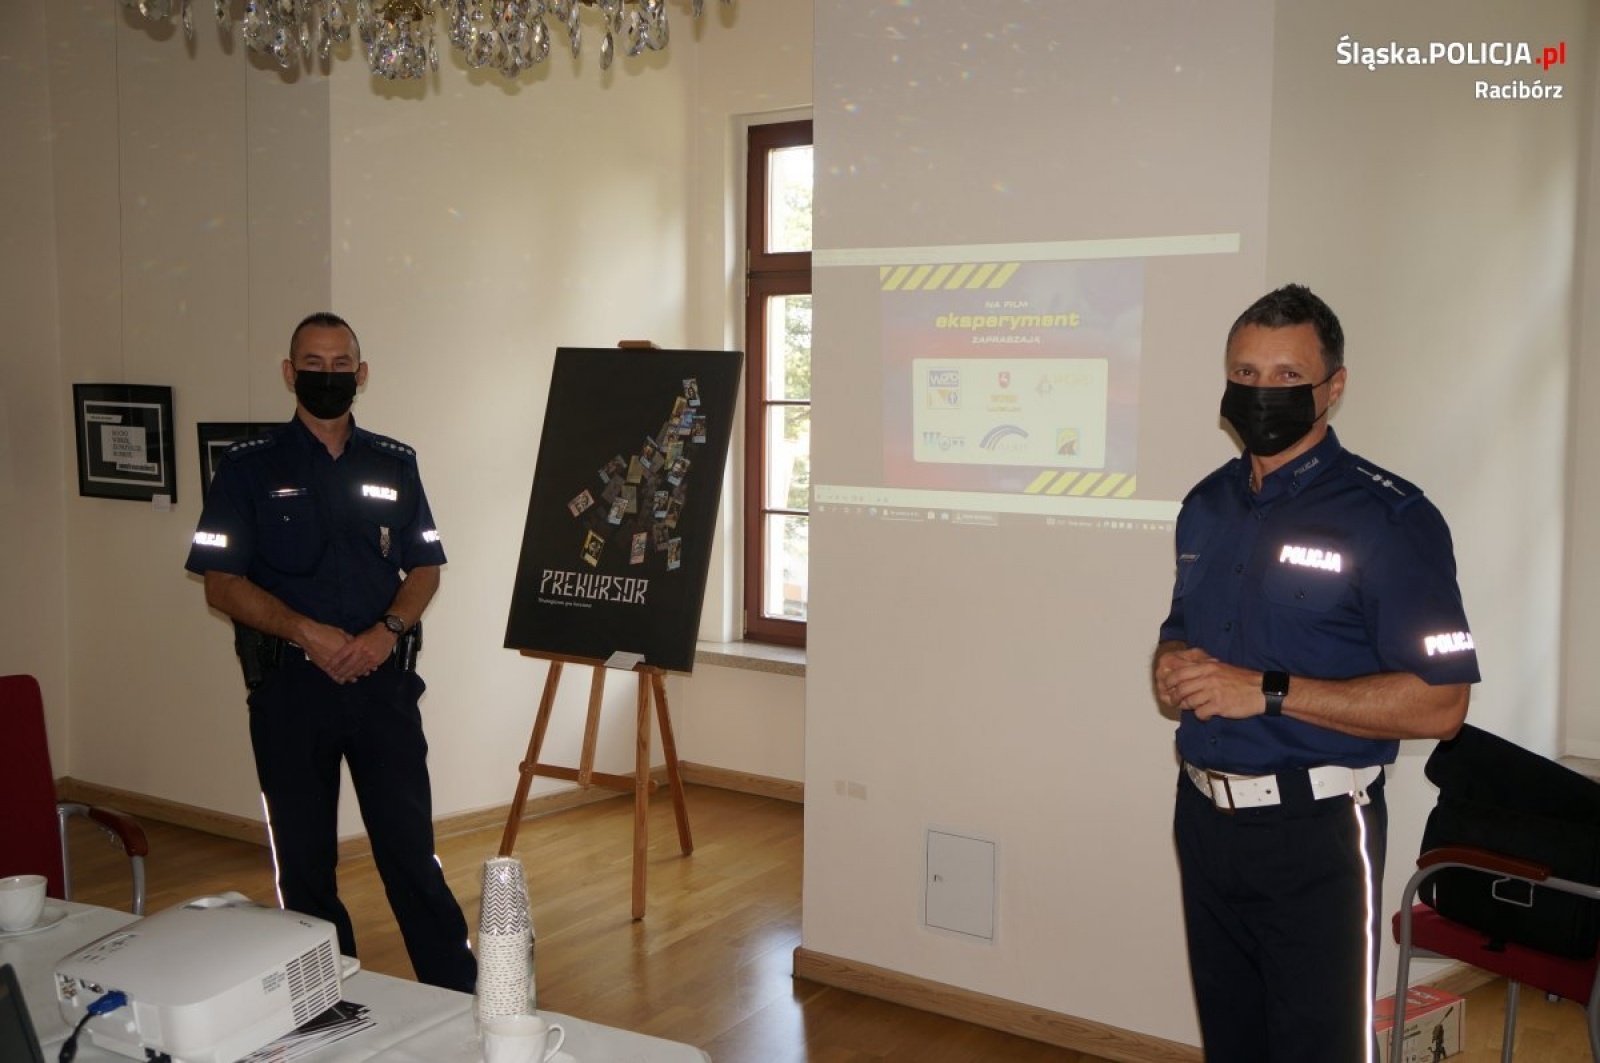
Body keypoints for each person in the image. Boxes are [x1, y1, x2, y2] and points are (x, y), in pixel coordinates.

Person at [1152, 284, 1479, 1062]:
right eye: (1247, 373)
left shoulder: (1392, 518)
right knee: (1233, 1043)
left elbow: (1442, 704)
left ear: (1333, 387)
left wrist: (1264, 689)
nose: (1263, 393)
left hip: (1319, 835)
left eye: (1287, 377)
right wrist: (1171, 666)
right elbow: (1180, 629)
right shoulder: (1207, 505)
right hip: (1203, 819)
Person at [185, 312, 476, 993]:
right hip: (291, 694)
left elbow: (425, 566)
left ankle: (462, 999)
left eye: (340, 362)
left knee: (410, 854)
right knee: (306, 866)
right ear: (289, 373)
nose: (327, 374)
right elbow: (220, 583)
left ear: (361, 373)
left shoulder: (394, 463)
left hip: (384, 690)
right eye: (311, 363)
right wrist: (306, 633)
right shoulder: (249, 467)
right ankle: (328, 1004)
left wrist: (387, 633)